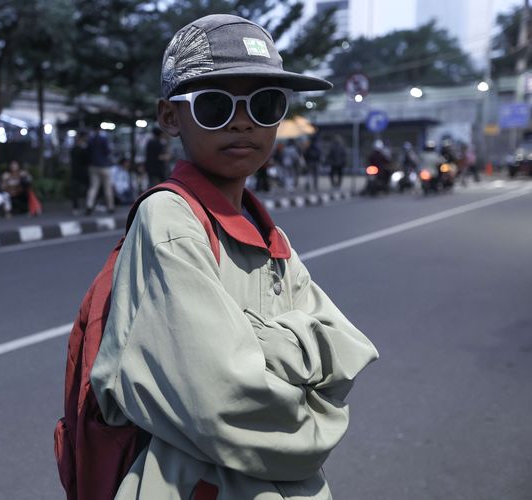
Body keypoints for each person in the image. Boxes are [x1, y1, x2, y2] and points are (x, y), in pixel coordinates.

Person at [89, 14, 379, 500]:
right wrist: (308, 396)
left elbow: (351, 350)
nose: (242, 121)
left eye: (265, 104)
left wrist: (255, 344)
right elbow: (221, 403)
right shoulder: (169, 218)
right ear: (169, 117)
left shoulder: (266, 230)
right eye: (214, 104)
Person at [85, 130, 115, 215]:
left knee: (93, 187)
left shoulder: (90, 139)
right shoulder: (103, 139)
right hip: (104, 165)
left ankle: (89, 205)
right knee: (107, 187)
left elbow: (88, 152)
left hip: (93, 166)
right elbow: (107, 151)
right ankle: (111, 207)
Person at [69, 130, 90, 215]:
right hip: (80, 171)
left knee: (78, 190)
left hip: (76, 171)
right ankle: (78, 207)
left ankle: (78, 207)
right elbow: (86, 159)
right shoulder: (81, 148)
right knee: (78, 190)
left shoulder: (75, 148)